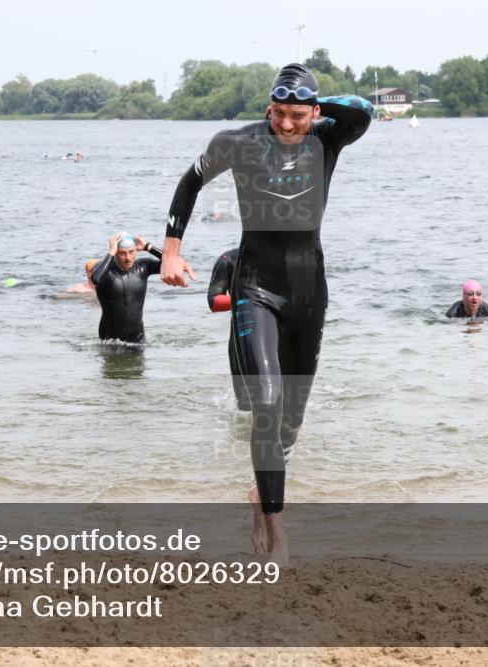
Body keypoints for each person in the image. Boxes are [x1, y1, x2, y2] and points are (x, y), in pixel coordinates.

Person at [159, 62, 372, 563]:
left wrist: (311, 104)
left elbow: (363, 110)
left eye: (298, 115)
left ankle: (261, 493)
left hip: (309, 292)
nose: (288, 124)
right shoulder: (238, 143)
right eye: (279, 113)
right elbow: (190, 183)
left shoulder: (327, 138)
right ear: (267, 109)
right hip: (255, 287)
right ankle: (277, 528)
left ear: (314, 112)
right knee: (268, 403)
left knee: (291, 423)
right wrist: (171, 251)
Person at [91, 233, 166, 343]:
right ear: (115, 253)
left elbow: (173, 263)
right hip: (110, 339)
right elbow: (96, 279)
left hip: (138, 338)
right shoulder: (105, 269)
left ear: (136, 250)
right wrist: (111, 252)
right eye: (122, 253)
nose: (128, 258)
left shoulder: (143, 267)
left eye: (131, 252)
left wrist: (148, 247)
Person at [208, 248, 249, 411]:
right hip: (242, 336)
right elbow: (213, 301)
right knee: (244, 406)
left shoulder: (285, 257)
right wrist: (249, 301)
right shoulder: (229, 259)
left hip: (279, 335)